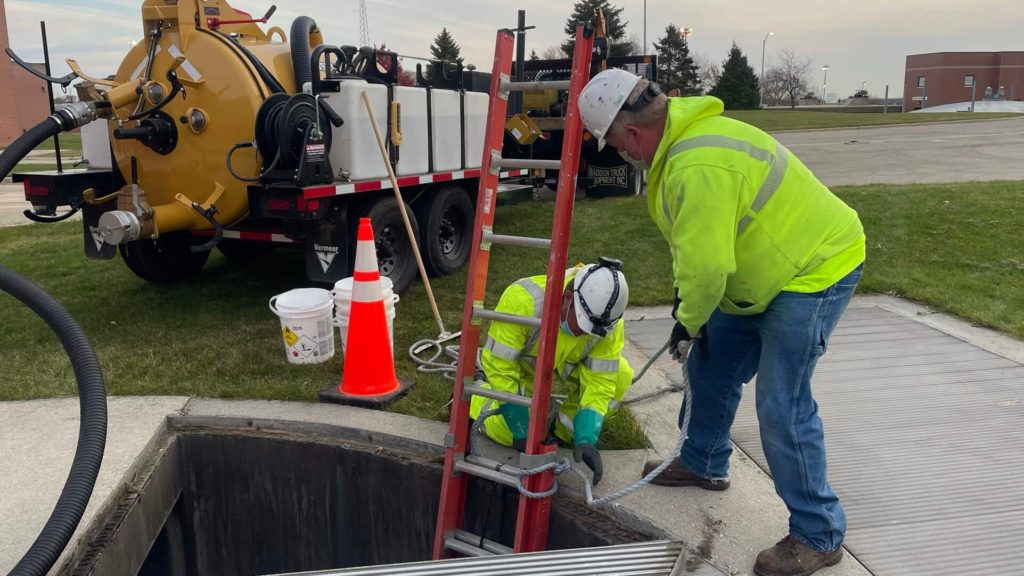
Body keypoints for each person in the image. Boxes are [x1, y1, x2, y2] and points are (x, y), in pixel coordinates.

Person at [578, 69, 865, 576]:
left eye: (617, 144)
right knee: (711, 367)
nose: (621, 154)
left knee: (782, 405)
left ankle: (818, 533)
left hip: (813, 270)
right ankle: (704, 460)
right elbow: (697, 252)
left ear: (635, 133)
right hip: (761, 274)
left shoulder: (697, 163)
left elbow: (709, 268)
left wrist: (689, 321)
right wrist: (692, 310)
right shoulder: (683, 145)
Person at [469, 258, 633, 486]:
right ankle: (475, 398)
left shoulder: (607, 323)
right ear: (568, 298)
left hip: (568, 365)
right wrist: (520, 426)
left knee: (620, 375)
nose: (586, 335)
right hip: (524, 372)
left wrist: (586, 438)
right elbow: (500, 367)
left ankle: (564, 434)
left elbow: (600, 381)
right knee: (508, 432)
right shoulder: (523, 302)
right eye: (583, 325)